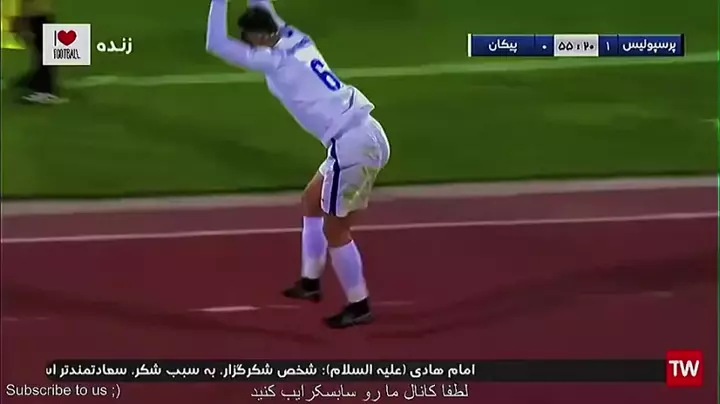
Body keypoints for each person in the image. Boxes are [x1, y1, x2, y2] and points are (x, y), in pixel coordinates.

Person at [206, 0, 390, 329]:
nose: (248, 43)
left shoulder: (272, 60)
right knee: (311, 200)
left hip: (352, 145)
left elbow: (215, 43)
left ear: (262, 36)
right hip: (360, 133)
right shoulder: (293, 35)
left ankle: (359, 303)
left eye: (249, 37)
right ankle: (310, 282)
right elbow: (262, 5)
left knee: (336, 229)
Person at [12, 0, 66, 104]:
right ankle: (37, 79)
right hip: (38, 12)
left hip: (38, 13)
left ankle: (46, 90)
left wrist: (22, 18)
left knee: (44, 48)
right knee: (40, 47)